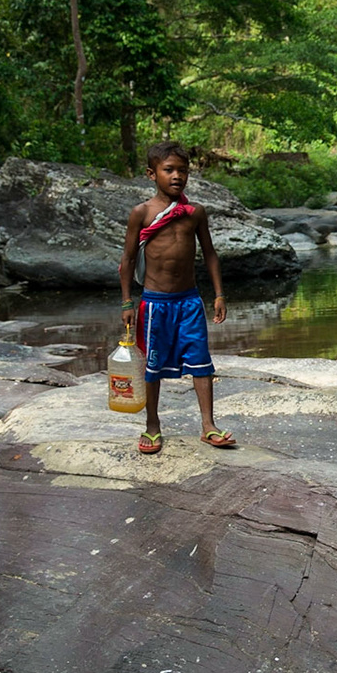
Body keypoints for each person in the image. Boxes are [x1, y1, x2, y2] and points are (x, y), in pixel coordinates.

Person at [118, 140, 236, 454]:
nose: (176, 176)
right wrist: (127, 302)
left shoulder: (194, 213)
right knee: (151, 366)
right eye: (168, 170)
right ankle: (152, 425)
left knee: (201, 362)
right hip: (155, 304)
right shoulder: (141, 213)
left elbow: (210, 254)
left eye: (182, 170)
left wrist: (219, 294)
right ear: (151, 173)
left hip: (189, 302)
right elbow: (127, 261)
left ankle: (208, 425)